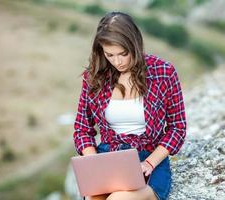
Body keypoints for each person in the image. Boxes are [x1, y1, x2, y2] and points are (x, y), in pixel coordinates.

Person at [73, 11, 186, 200]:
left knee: (118, 199)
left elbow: (177, 128)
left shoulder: (164, 72)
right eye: (110, 55)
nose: (117, 62)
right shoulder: (94, 78)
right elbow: (82, 129)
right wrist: (93, 164)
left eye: (123, 54)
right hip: (107, 157)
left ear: (135, 44)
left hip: (149, 159)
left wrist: (149, 163)